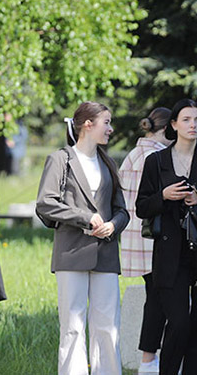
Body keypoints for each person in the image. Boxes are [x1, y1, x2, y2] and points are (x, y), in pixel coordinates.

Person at [136, 99, 197, 375]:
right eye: (187, 120)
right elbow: (142, 207)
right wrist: (164, 196)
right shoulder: (156, 161)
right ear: (174, 124)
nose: (193, 125)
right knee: (178, 323)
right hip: (170, 253)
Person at [35, 101, 129, 375]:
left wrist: (112, 225)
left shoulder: (108, 162)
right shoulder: (60, 159)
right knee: (72, 328)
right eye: (106, 122)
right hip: (71, 252)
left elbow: (122, 210)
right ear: (88, 125)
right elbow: (45, 203)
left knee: (108, 326)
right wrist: (85, 217)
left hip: (105, 254)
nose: (111, 129)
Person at [118, 107, 171, 374]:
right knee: (158, 300)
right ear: (168, 129)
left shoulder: (134, 154)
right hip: (153, 238)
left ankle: (150, 359)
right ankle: (149, 360)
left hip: (135, 239)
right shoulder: (156, 156)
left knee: (156, 297)